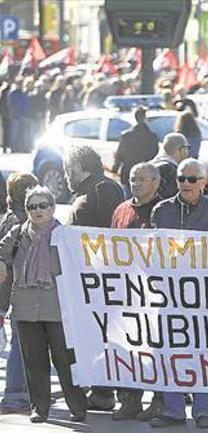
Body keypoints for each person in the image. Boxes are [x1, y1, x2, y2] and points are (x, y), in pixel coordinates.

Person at [149, 158, 208, 428]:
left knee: (202, 351)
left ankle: (202, 410)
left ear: (204, 183)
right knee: (170, 350)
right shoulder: (161, 210)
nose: (185, 183)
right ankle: (173, 410)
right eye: (181, 178)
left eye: (192, 179)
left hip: (204, 294)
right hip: (169, 293)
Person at [0, 186, 88, 423]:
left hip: (59, 309)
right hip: (25, 308)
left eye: (43, 205)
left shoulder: (66, 235)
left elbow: (85, 265)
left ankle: (78, 406)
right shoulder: (18, 234)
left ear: (52, 207)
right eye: (32, 206)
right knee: (34, 361)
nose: (37, 211)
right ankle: (39, 407)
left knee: (65, 360)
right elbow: (2, 252)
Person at [63, 144, 125, 411]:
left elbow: (110, 232)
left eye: (67, 169)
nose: (65, 175)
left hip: (103, 277)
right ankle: (102, 389)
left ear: (78, 167)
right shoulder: (89, 191)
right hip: (90, 278)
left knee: (107, 334)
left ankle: (109, 392)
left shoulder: (103, 190)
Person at [108, 162, 163, 420]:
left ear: (156, 182)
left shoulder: (163, 210)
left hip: (154, 291)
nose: (136, 184)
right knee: (126, 346)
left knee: (154, 348)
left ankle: (160, 400)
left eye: (142, 179)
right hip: (125, 290)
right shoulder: (120, 210)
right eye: (132, 179)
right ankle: (129, 400)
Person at [0, 173, 39, 415]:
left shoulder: (9, 218)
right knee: (21, 342)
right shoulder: (22, 222)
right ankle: (15, 395)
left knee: (23, 341)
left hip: (10, 290)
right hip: (20, 290)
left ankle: (24, 392)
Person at [113, 106, 159, 191]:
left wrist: (115, 169)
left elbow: (120, 155)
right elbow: (154, 154)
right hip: (146, 174)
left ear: (135, 117)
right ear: (144, 117)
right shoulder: (152, 136)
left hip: (128, 173)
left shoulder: (126, 136)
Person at [151, 133, 191, 199]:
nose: (187, 152)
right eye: (187, 148)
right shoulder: (170, 171)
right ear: (181, 149)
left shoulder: (149, 166)